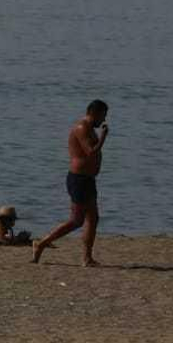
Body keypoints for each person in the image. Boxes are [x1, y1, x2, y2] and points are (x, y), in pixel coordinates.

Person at [33, 100, 110, 266]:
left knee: (93, 218)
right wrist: (103, 137)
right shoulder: (82, 128)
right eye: (103, 115)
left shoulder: (90, 129)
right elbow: (90, 152)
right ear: (95, 113)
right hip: (79, 179)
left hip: (88, 179)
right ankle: (41, 243)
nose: (103, 120)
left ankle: (87, 258)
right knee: (76, 220)